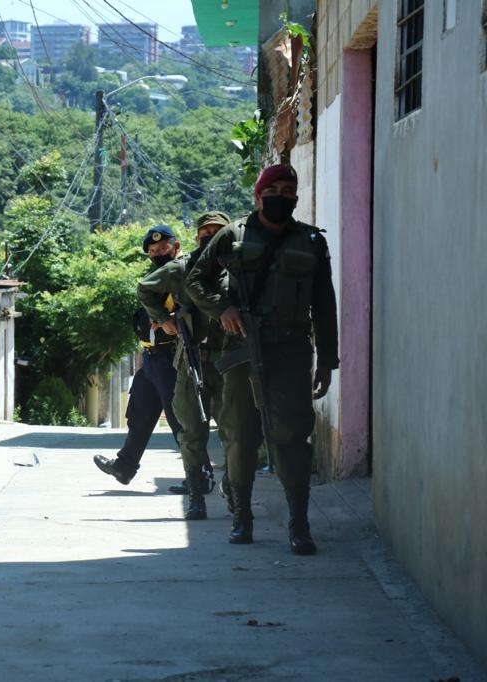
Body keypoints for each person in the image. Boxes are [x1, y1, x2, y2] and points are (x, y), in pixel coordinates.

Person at [185, 164, 338, 554]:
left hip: (290, 351)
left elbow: (324, 303)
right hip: (240, 350)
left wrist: (327, 359)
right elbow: (195, 280)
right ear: (258, 195)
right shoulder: (231, 235)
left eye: (290, 190)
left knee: (291, 436)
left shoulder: (310, 242)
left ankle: (299, 523)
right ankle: (242, 518)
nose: (283, 196)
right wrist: (223, 308)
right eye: (275, 189)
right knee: (240, 435)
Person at [138, 212, 232, 520]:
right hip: (191, 360)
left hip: (231, 363)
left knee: (235, 433)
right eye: (204, 232)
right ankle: (196, 497)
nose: (209, 236)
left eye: (217, 231)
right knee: (191, 433)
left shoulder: (241, 268)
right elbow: (146, 288)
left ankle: (234, 488)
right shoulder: (181, 268)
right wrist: (164, 320)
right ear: (195, 237)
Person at [93, 225, 183, 485]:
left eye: (164, 248)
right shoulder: (154, 278)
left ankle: (200, 475)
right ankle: (124, 467)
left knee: (179, 420)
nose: (158, 254)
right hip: (151, 359)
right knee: (140, 413)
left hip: (173, 358)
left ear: (175, 248)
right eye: (153, 251)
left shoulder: (181, 276)